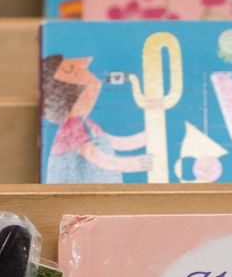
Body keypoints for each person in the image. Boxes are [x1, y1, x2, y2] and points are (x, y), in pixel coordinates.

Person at [39, 54, 151, 183]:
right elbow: (100, 159)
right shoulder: (71, 129)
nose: (85, 68)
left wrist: (152, 133)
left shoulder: (85, 123)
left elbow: (116, 142)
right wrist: (140, 163)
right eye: (71, 69)